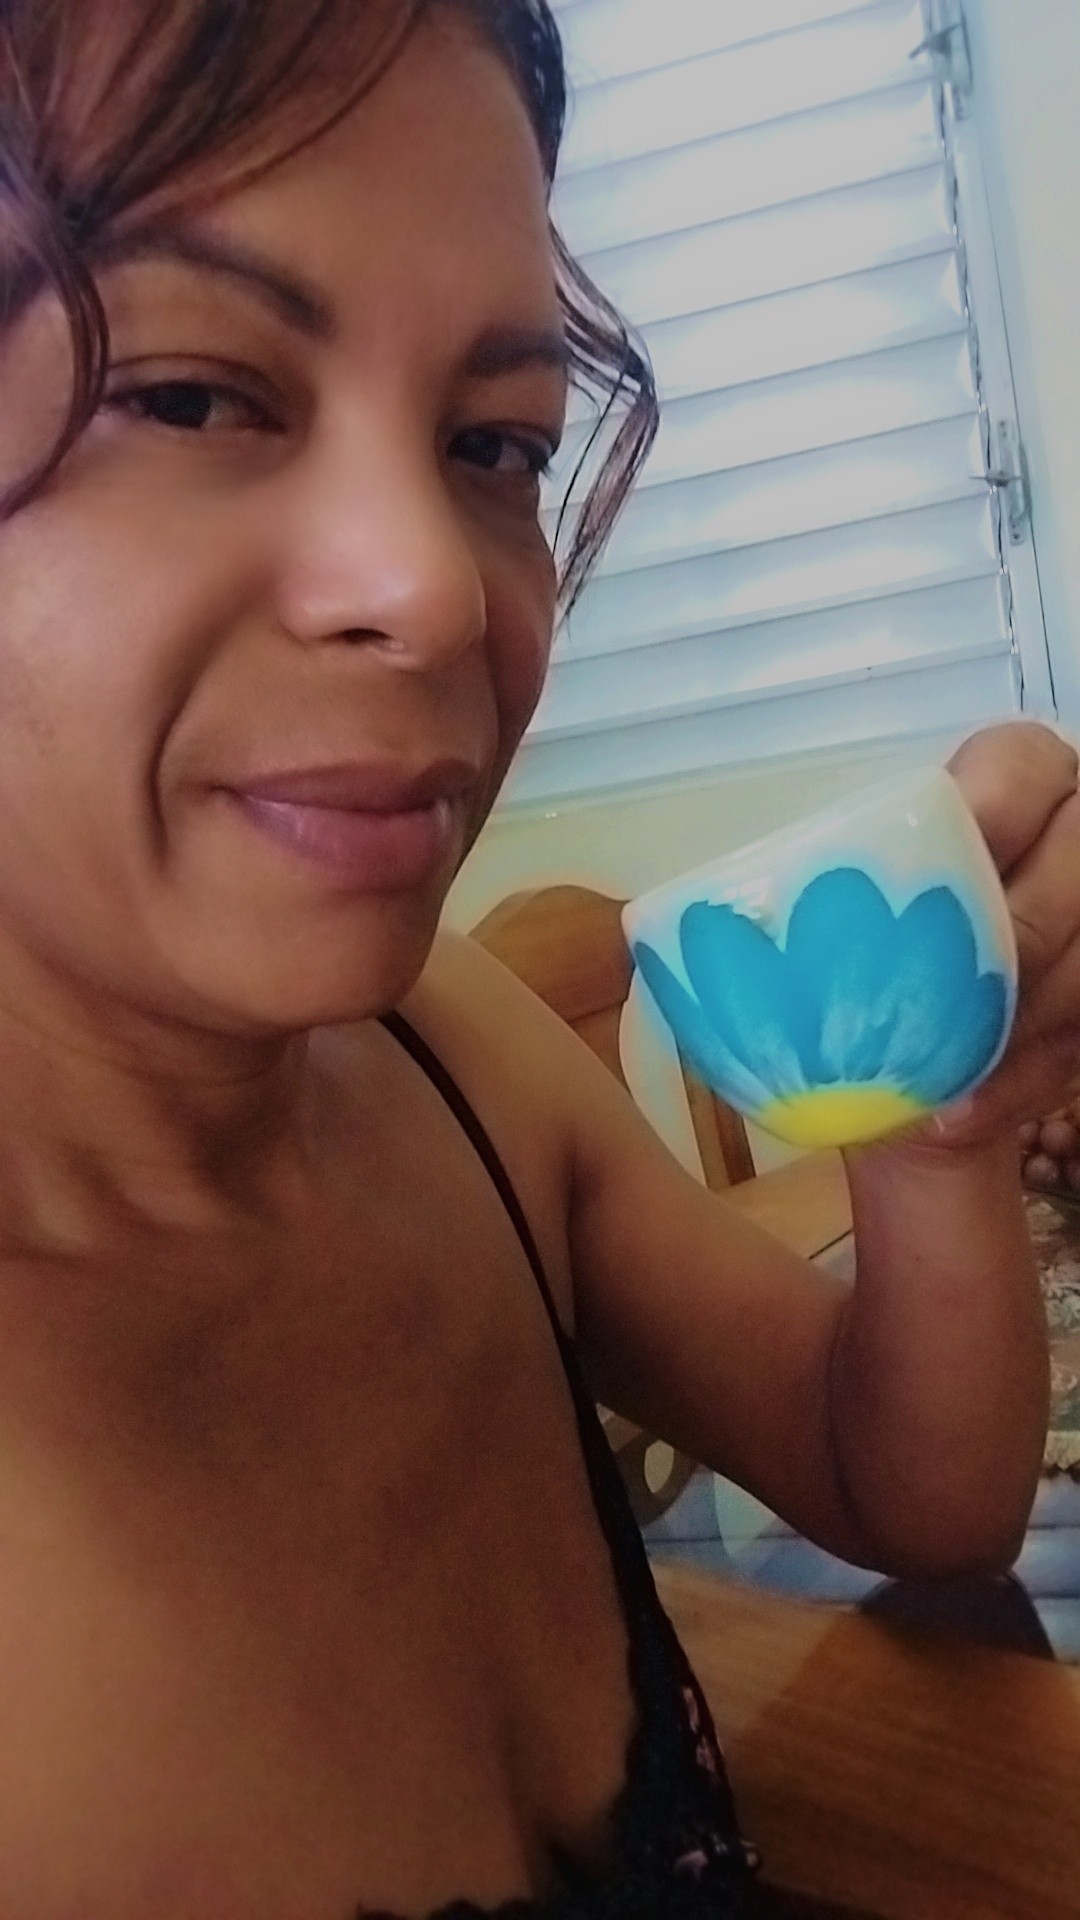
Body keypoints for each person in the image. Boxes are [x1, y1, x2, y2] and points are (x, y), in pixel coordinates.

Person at [0, 2, 1075, 1915]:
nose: (433, 584)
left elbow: (906, 1489)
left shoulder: (447, 1047)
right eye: (190, 396)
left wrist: (942, 1125)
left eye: (494, 442)